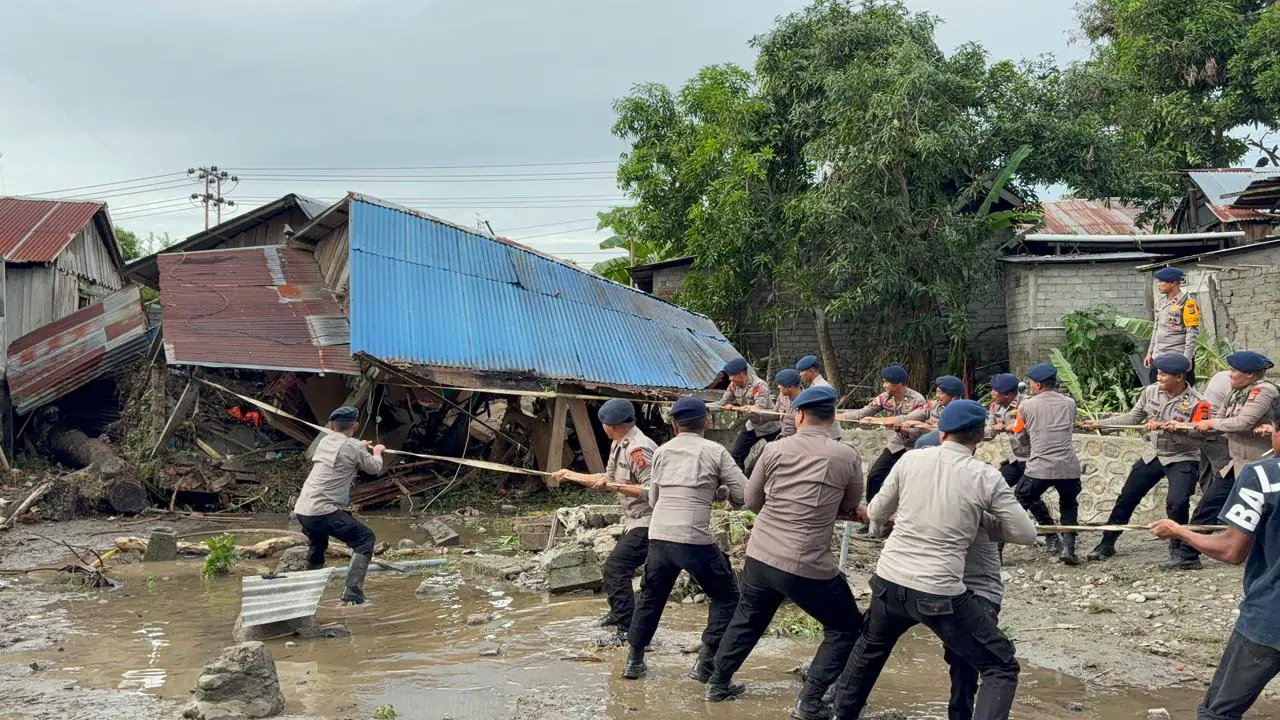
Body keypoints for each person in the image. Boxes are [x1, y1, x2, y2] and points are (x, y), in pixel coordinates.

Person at [829, 400, 1038, 720]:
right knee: (1001, 666)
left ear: (941, 433)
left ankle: (840, 715)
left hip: (889, 580)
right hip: (939, 591)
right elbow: (1025, 534)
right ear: (980, 437)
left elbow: (876, 512)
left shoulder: (910, 460)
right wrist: (984, 521)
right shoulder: (985, 476)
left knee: (870, 648)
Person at [705, 386, 864, 715]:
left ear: (800, 415)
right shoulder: (846, 455)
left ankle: (718, 683)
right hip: (805, 562)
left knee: (748, 618)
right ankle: (810, 701)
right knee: (846, 627)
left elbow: (751, 501)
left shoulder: (774, 449)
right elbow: (849, 505)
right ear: (832, 417)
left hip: (761, 553)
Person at [1149, 430, 1280, 719]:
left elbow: (1231, 550)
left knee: (1219, 712)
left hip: (1269, 618)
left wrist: (1179, 531)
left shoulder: (1263, 476)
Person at [624, 396, 747, 684]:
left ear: (674, 425)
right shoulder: (715, 451)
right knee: (727, 596)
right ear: (707, 422)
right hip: (694, 540)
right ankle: (705, 663)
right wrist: (722, 492)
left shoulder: (662, 451)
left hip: (659, 536)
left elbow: (653, 499)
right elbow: (744, 494)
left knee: (651, 597)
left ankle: (634, 661)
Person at [1081, 354, 1211, 565]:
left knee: (1177, 502)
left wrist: (1173, 429)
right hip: (1154, 454)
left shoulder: (1198, 402)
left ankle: (1178, 548)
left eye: (1164, 374)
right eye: (1158, 373)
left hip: (1182, 456)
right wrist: (1100, 424)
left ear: (1179, 377)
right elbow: (1133, 418)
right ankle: (1107, 543)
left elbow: (1200, 438)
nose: (1158, 377)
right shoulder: (1150, 392)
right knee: (1127, 497)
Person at [550, 399, 657, 645]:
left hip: (650, 521)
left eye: (603, 424)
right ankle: (621, 614)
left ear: (612, 425)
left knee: (616, 567)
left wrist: (615, 485)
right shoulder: (619, 444)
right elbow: (607, 478)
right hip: (634, 520)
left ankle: (627, 627)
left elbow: (653, 490)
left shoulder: (639, 449)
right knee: (616, 567)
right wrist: (571, 475)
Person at [1181, 351, 1279, 570]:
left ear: (1250, 374)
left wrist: (1212, 424)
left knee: (1263, 515)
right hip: (1236, 464)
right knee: (1208, 505)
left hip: (1262, 467)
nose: (1230, 375)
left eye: (1235, 371)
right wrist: (1193, 427)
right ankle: (1187, 554)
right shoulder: (1236, 391)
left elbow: (1243, 422)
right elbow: (1223, 420)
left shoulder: (1264, 390)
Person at [293, 406, 384, 605]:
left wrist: (360, 446)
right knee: (365, 539)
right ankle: (353, 592)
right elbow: (375, 468)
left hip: (303, 509)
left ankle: (309, 588)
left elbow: (345, 448)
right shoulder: (354, 447)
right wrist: (377, 452)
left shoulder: (325, 441)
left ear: (332, 426)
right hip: (323, 510)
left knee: (318, 544)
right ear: (356, 426)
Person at [1015, 362, 1083, 565]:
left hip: (1039, 467)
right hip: (1067, 467)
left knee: (1018, 502)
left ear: (1037, 385)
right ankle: (1069, 549)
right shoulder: (1070, 403)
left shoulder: (1026, 406)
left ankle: (997, 550)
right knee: (1069, 505)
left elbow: (1020, 436)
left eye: (1031, 383)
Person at [945, 519, 1007, 720]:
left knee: (969, 661)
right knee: (960, 662)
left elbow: (1023, 532)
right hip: (944, 590)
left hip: (980, 591)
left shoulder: (982, 506)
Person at [847, 365, 927, 502]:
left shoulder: (918, 400)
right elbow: (862, 413)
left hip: (918, 445)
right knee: (875, 475)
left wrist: (887, 422)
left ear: (898, 384)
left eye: (886, 382)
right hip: (899, 443)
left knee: (912, 482)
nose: (883, 385)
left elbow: (911, 425)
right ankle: (872, 510)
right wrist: (836, 415)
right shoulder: (884, 397)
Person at [719, 357, 781, 468]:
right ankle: (739, 478)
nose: (729, 378)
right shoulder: (733, 385)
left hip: (770, 426)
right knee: (737, 454)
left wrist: (734, 408)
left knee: (772, 457)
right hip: (752, 425)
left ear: (740, 374)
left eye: (731, 375)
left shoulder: (758, 385)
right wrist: (704, 406)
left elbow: (758, 409)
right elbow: (722, 403)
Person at [1144, 267, 1200, 378]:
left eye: (1162, 281)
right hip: (1158, 356)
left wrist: (1187, 359)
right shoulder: (1161, 303)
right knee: (1155, 387)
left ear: (1173, 283)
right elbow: (1156, 328)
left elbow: (1191, 334)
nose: (1158, 285)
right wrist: (1150, 352)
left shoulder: (1187, 304)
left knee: (1179, 387)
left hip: (1177, 358)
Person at [902, 375, 964, 449]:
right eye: (937, 392)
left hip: (945, 448)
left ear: (954, 396)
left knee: (921, 442)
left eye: (941, 393)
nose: (937, 396)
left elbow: (947, 434)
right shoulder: (934, 404)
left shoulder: (961, 412)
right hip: (923, 442)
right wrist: (900, 422)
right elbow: (913, 416)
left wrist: (922, 425)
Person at [1200, 368, 1235, 492]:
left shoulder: (1220, 375)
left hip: (1204, 430)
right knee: (1224, 477)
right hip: (1218, 435)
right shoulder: (1233, 382)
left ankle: (1206, 501)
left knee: (1206, 476)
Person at [775, 369, 805, 439]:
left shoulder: (806, 402)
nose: (778, 387)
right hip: (782, 436)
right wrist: (756, 412)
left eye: (781, 385)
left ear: (790, 387)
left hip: (797, 440)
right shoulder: (782, 396)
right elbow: (775, 413)